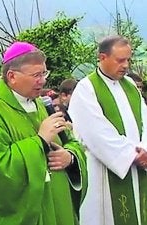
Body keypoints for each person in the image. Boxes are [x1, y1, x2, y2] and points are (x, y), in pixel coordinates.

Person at [0, 41, 87, 225]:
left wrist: (70, 157)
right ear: (12, 76)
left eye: (44, 73)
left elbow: (70, 141)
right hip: (28, 213)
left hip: (58, 205)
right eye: (36, 75)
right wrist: (40, 141)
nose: (43, 81)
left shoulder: (41, 104)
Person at [68, 35, 147, 225]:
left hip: (139, 168)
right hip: (104, 170)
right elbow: (96, 133)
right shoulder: (86, 89)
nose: (126, 65)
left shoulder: (130, 86)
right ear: (102, 57)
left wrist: (145, 149)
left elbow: (145, 120)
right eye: (120, 60)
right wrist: (133, 155)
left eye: (128, 59)